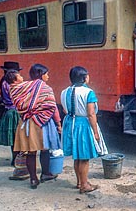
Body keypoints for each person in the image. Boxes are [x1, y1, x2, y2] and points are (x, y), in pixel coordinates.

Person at [10, 64, 61, 189]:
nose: (48, 76)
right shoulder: (45, 88)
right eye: (47, 74)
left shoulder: (23, 86)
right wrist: (58, 123)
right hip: (42, 123)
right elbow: (52, 107)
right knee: (45, 149)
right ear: (41, 74)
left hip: (26, 122)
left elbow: (16, 99)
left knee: (30, 152)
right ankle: (46, 173)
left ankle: (33, 179)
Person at [61, 66, 107, 194]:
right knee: (84, 157)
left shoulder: (64, 92)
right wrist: (96, 132)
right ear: (84, 78)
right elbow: (91, 113)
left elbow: (65, 110)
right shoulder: (88, 93)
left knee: (77, 156)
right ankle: (85, 185)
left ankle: (79, 182)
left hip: (69, 123)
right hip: (83, 124)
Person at [0, 61, 22, 167]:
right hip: (15, 112)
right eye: (19, 74)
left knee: (12, 137)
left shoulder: (3, 82)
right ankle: (18, 160)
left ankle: (14, 158)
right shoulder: (12, 86)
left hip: (8, 111)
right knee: (18, 136)